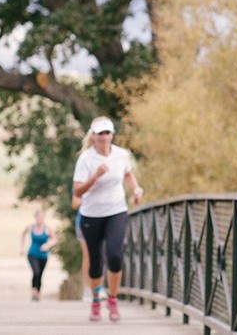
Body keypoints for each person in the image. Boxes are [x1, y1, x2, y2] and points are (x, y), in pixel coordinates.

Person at [73, 116, 143, 322]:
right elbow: (77, 191)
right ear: (93, 136)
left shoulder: (121, 155)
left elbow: (128, 175)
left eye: (107, 133)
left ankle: (112, 299)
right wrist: (95, 176)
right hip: (91, 215)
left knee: (115, 255)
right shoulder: (86, 159)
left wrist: (136, 189)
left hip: (116, 211)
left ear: (112, 134)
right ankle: (96, 300)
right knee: (95, 262)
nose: (103, 137)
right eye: (100, 133)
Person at [20, 209, 58, 301]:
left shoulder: (47, 229)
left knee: (40, 274)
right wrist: (21, 247)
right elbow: (23, 234)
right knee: (36, 272)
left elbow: (55, 239)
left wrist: (48, 245)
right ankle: (34, 292)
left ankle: (38, 293)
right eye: (38, 217)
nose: (39, 219)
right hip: (32, 253)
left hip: (43, 255)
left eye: (41, 217)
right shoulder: (31, 227)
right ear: (35, 217)